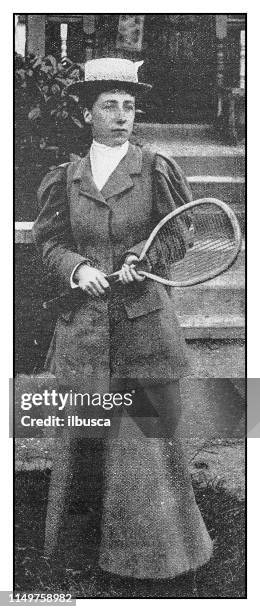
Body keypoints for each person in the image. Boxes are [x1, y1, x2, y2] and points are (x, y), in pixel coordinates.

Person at [33, 58, 213, 582]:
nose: (121, 116)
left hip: (143, 325)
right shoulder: (64, 177)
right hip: (85, 329)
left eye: (129, 106)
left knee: (145, 440)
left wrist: (144, 256)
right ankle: (80, 551)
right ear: (86, 112)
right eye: (109, 105)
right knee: (87, 438)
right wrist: (77, 268)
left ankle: (158, 557)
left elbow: (181, 234)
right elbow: (49, 243)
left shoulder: (155, 167)